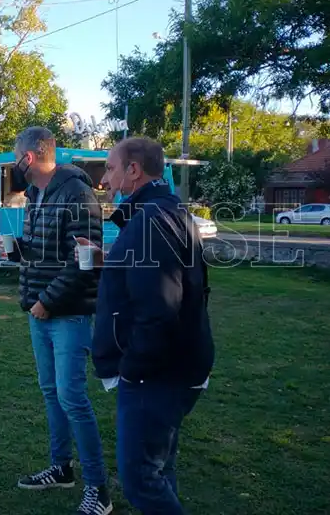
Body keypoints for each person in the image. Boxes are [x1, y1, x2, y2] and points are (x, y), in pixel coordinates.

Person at [82, 137, 214, 514]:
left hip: (156, 375)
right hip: (176, 366)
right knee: (158, 468)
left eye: (110, 168)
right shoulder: (165, 211)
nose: (105, 179)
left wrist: (133, 370)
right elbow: (154, 278)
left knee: (141, 478)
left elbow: (159, 307)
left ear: (134, 170)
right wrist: (109, 262)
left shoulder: (150, 220)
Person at [11, 127, 112, 515]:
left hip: (67, 313)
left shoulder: (77, 193)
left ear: (29, 158)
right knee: (52, 392)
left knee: (72, 398)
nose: (15, 166)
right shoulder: (35, 195)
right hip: (39, 310)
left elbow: (84, 261)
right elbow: (44, 252)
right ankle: (61, 468)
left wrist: (48, 301)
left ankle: (98, 489)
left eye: (16, 158)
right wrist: (19, 251)